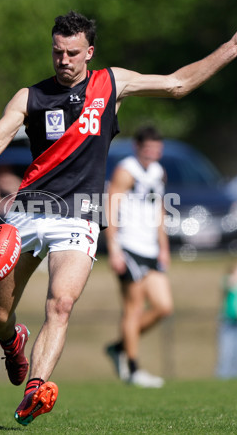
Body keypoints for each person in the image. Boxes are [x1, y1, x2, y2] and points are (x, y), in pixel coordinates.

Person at [0, 11, 237, 425]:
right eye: (57, 52)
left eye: (72, 52)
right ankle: (12, 339)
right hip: (29, 212)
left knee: (61, 304)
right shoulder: (29, 97)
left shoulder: (112, 82)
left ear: (89, 52)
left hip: (81, 216)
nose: (63, 60)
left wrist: (231, 47)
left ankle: (35, 389)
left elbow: (177, 84)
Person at [104, 126, 173, 388]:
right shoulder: (126, 170)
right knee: (134, 308)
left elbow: (160, 211)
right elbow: (111, 207)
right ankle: (132, 369)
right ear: (137, 147)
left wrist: (163, 246)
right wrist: (114, 247)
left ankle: (119, 346)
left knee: (164, 306)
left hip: (151, 249)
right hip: (129, 246)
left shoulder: (158, 172)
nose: (152, 154)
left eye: (156, 149)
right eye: (147, 149)